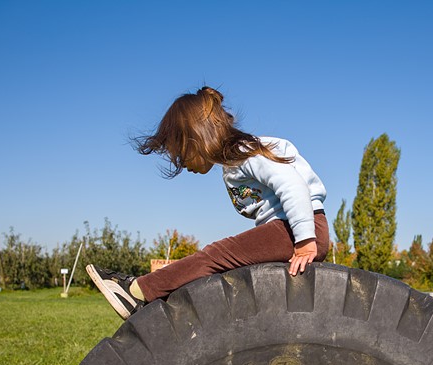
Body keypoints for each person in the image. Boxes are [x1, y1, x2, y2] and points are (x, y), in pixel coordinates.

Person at [86, 86, 329, 320]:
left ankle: (139, 292)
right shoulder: (233, 163)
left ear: (197, 137)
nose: (181, 164)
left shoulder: (246, 151)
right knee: (223, 260)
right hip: (290, 230)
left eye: (180, 154)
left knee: (215, 255)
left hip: (299, 230)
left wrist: (306, 241)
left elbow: (292, 184)